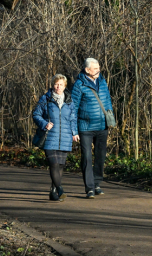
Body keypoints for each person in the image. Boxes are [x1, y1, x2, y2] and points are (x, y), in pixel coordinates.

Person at [69, 57, 114, 198]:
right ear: (87, 70)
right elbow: (73, 108)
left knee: (100, 156)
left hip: (102, 126)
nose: (98, 70)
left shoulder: (102, 81)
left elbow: (107, 100)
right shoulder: (79, 85)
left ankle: (97, 183)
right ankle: (89, 187)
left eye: (99, 68)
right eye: (95, 69)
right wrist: (74, 130)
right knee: (87, 157)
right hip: (85, 127)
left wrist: (110, 119)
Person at [32, 74, 77, 201]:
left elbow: (73, 118)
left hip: (66, 137)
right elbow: (36, 114)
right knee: (53, 164)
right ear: (53, 85)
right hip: (50, 137)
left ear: (65, 86)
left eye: (61, 84)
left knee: (60, 165)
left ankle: (53, 192)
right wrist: (44, 124)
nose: (58, 87)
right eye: (56, 84)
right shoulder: (45, 99)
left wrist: (75, 132)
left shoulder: (69, 100)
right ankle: (60, 188)